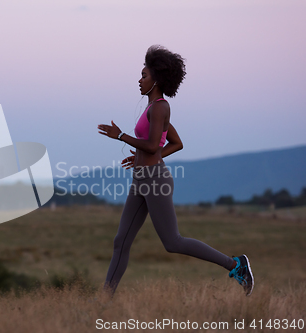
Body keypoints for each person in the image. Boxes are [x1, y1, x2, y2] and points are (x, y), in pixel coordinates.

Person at [97, 45, 254, 297]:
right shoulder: (152, 108)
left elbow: (151, 145)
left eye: (144, 75)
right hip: (141, 179)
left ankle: (236, 265)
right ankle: (104, 300)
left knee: (173, 242)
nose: (139, 80)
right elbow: (174, 144)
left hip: (155, 180)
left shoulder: (160, 107)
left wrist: (122, 136)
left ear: (156, 80)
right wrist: (138, 157)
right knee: (121, 241)